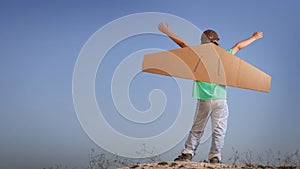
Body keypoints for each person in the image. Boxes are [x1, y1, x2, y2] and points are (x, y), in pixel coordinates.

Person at [158, 23, 263, 163]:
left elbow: (183, 44)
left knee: (197, 128)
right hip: (220, 100)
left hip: (203, 100)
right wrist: (254, 37)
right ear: (216, 42)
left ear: (203, 42)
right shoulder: (224, 56)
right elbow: (238, 46)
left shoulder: (197, 56)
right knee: (219, 130)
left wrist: (168, 32)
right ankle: (215, 157)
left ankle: (188, 154)